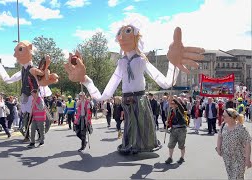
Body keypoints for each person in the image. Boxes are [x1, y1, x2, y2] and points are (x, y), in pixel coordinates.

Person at [64, 24, 204, 154]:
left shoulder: (142, 60)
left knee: (141, 123)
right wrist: (86, 80)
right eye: (120, 33)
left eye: (127, 32)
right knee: (130, 123)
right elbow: (106, 93)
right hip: (127, 99)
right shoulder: (121, 62)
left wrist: (173, 64)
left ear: (136, 37)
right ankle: (131, 144)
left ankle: (142, 145)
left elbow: (166, 83)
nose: (122, 37)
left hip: (140, 98)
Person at [0, 40, 57, 141]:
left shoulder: (34, 69)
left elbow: (42, 81)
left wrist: (47, 78)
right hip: (26, 99)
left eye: (19, 50)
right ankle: (30, 136)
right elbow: (8, 79)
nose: (15, 55)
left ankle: (39, 135)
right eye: (15, 51)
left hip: (36, 98)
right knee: (27, 120)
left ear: (30, 49)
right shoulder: (23, 70)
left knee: (46, 120)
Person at [216, 108, 251, 179]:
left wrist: (248, 159)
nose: (223, 117)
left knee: (237, 177)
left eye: (225, 116)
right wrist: (218, 149)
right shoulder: (223, 125)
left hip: (239, 157)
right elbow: (220, 137)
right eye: (223, 115)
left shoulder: (241, 128)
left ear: (231, 117)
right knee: (231, 176)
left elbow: (248, 144)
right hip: (227, 157)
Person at [165, 98, 187, 164]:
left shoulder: (180, 110)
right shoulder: (171, 111)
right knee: (171, 144)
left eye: (173, 104)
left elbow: (181, 108)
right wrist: (167, 123)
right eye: (171, 104)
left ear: (176, 105)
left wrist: (175, 99)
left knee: (181, 145)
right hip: (173, 130)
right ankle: (170, 158)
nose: (171, 105)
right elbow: (170, 121)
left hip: (181, 129)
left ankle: (182, 157)